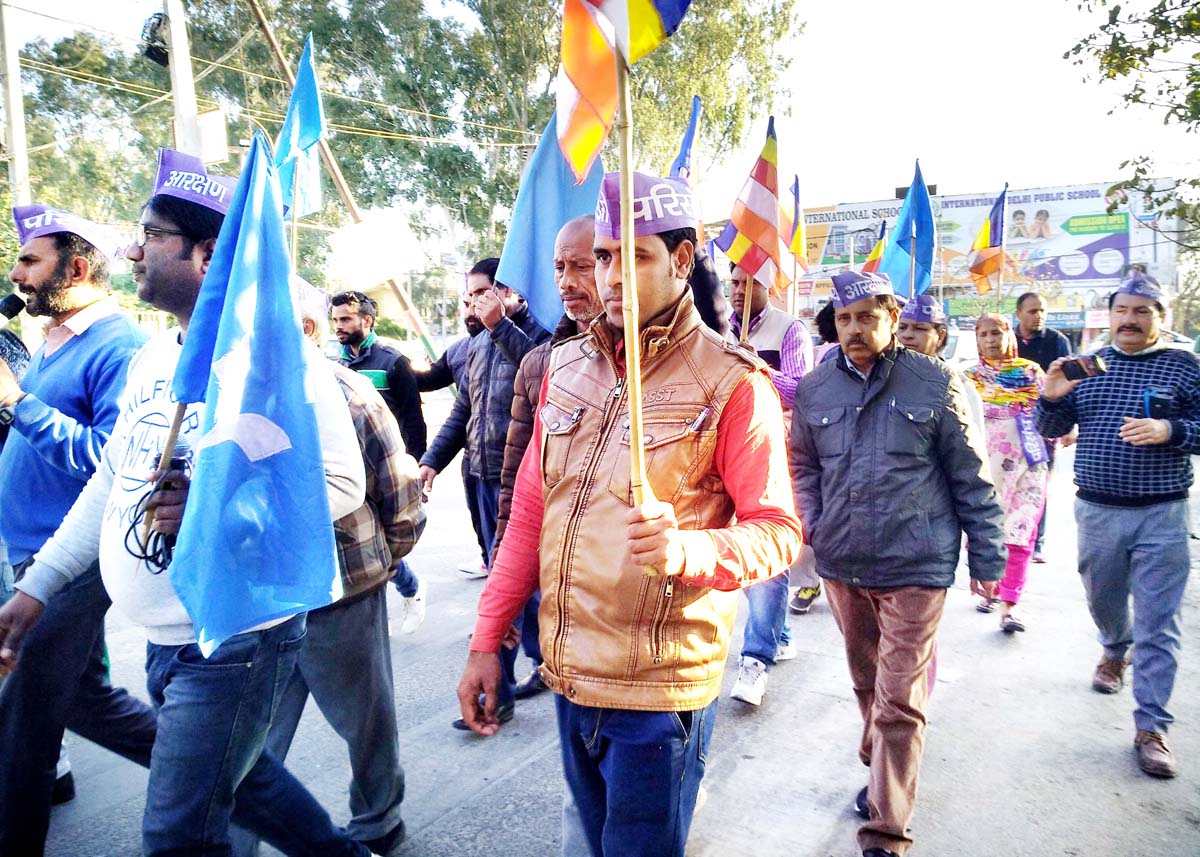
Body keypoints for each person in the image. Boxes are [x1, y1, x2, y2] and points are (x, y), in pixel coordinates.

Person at [0, 149, 371, 857]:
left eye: (150, 233)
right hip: (168, 640)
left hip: (236, 633)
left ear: (206, 253)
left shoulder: (276, 359)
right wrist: (39, 586)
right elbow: (112, 481)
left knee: (176, 835)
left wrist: (217, 508)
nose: (133, 249)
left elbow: (340, 483)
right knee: (247, 781)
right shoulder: (153, 357)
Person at [456, 172, 802, 857]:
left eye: (634, 256)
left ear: (680, 259)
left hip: (659, 688)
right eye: (606, 256)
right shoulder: (565, 366)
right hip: (568, 672)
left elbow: (779, 533)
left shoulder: (734, 383)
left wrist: (690, 552)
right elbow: (530, 515)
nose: (612, 276)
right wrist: (487, 638)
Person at [790, 270, 1005, 857]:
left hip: (918, 560)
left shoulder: (935, 383)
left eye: (866, 317)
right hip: (842, 561)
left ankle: (885, 831)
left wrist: (988, 554)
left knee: (899, 697)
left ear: (890, 316)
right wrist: (815, 521)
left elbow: (972, 474)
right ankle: (884, 769)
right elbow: (803, 466)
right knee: (866, 684)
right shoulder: (815, 389)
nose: (854, 329)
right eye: (844, 319)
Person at [232, 280, 425, 857]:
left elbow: (396, 489)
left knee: (364, 720)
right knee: (252, 732)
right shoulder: (242, 394)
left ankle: (377, 821)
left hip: (342, 589)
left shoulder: (348, 391)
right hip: (266, 596)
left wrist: (386, 560)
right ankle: (237, 834)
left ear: (307, 331)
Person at [0, 204, 157, 856]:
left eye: (30, 260)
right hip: (29, 551)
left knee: (22, 722)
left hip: (62, 556)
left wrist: (15, 399)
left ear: (78, 266)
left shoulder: (118, 347)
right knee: (80, 701)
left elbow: (107, 459)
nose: (16, 273)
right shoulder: (54, 339)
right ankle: (209, 758)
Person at [1035, 271, 1200, 779]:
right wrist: (1052, 395)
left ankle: (1152, 728)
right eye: (1122, 310)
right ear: (1111, 316)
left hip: (1163, 513)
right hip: (1098, 511)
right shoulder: (1088, 366)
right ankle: (1113, 647)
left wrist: (1170, 429)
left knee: (1159, 621)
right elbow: (1050, 430)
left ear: (1161, 318)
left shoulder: (1184, 367)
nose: (1129, 320)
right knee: (1103, 599)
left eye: (1142, 311)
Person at [487, 215, 602, 710]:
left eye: (583, 265)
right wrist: (502, 594)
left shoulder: (664, 369)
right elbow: (519, 490)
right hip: (562, 598)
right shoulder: (540, 365)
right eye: (559, 267)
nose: (566, 282)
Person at [419, 257, 550, 592]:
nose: (474, 302)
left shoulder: (544, 332)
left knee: (527, 579)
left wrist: (501, 327)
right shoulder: (474, 345)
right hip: (480, 475)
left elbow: (544, 377)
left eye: (482, 292)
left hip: (522, 477)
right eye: (470, 295)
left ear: (507, 291)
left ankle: (530, 643)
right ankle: (499, 639)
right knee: (498, 572)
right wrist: (432, 461)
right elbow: (463, 410)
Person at [726, 262, 814, 705]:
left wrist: (754, 364)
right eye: (734, 282)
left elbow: (801, 390)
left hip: (778, 455)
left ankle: (755, 659)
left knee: (766, 550)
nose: (739, 291)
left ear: (768, 286)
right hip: (729, 453)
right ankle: (778, 632)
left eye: (748, 283)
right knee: (746, 556)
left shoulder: (790, 330)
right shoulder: (718, 327)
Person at [332, 290, 428, 630]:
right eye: (335, 320)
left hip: (387, 471)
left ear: (366, 321)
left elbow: (414, 421)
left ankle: (410, 589)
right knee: (364, 542)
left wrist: (415, 472)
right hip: (348, 470)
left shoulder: (392, 362)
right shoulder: (334, 365)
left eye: (345, 319)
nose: (339, 326)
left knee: (383, 542)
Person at [965, 313, 1048, 632]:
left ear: (1009, 335)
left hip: (1028, 464)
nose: (991, 340)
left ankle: (1010, 606)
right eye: (983, 334)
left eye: (997, 332)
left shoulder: (1030, 372)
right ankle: (990, 588)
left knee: (1021, 532)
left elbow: (1052, 412)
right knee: (987, 532)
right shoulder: (969, 378)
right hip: (984, 467)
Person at [413, 294, 489, 576]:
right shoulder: (460, 351)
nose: (470, 312)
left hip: (513, 463)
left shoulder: (523, 345)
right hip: (473, 455)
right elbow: (435, 384)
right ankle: (487, 558)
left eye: (478, 302)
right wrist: (397, 366)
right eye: (467, 304)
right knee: (481, 520)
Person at [1013, 292, 1072, 562]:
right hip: (1008, 424)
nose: (1039, 316)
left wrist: (1069, 425)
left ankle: (1036, 541)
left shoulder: (1057, 342)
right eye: (1033, 311)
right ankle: (1006, 538)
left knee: (1039, 482)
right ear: (1018, 314)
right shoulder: (1006, 338)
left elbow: (1069, 384)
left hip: (1044, 423)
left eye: (1042, 311)